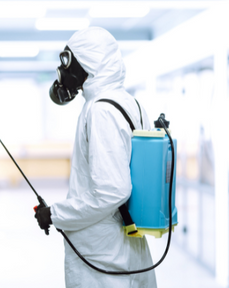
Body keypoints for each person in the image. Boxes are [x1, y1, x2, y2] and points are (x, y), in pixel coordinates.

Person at [35, 27, 157, 288]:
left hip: (105, 260)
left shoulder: (100, 110)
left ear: (89, 62)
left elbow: (113, 191)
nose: (63, 71)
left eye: (67, 62)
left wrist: (55, 214)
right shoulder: (130, 103)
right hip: (128, 250)